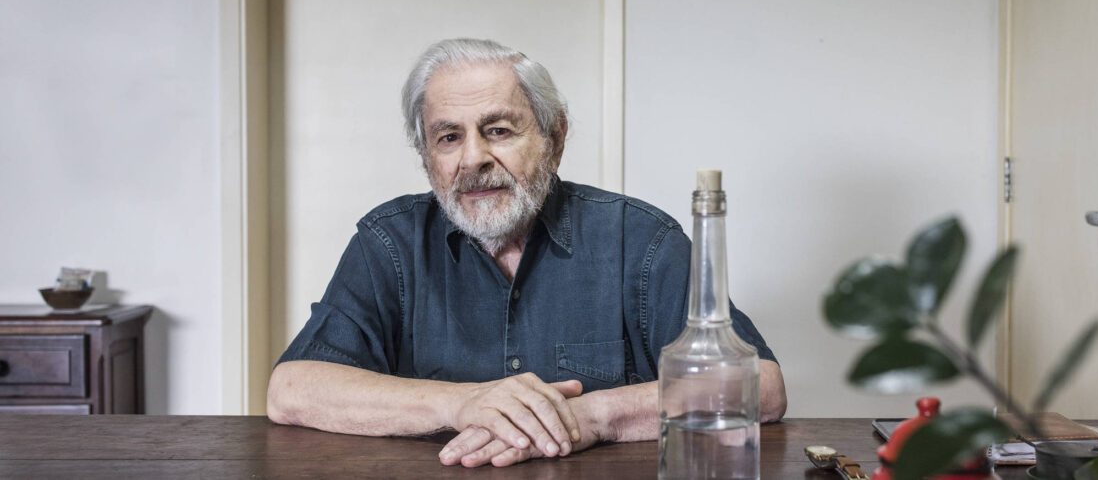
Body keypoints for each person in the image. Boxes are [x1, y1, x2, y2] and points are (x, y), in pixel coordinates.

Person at [266, 38, 787, 468]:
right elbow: (292, 389)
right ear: (426, 157)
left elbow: (759, 387)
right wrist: (463, 402)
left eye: (498, 130)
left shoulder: (640, 239)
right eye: (448, 137)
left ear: (554, 138)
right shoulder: (389, 242)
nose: (473, 158)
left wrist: (588, 417)